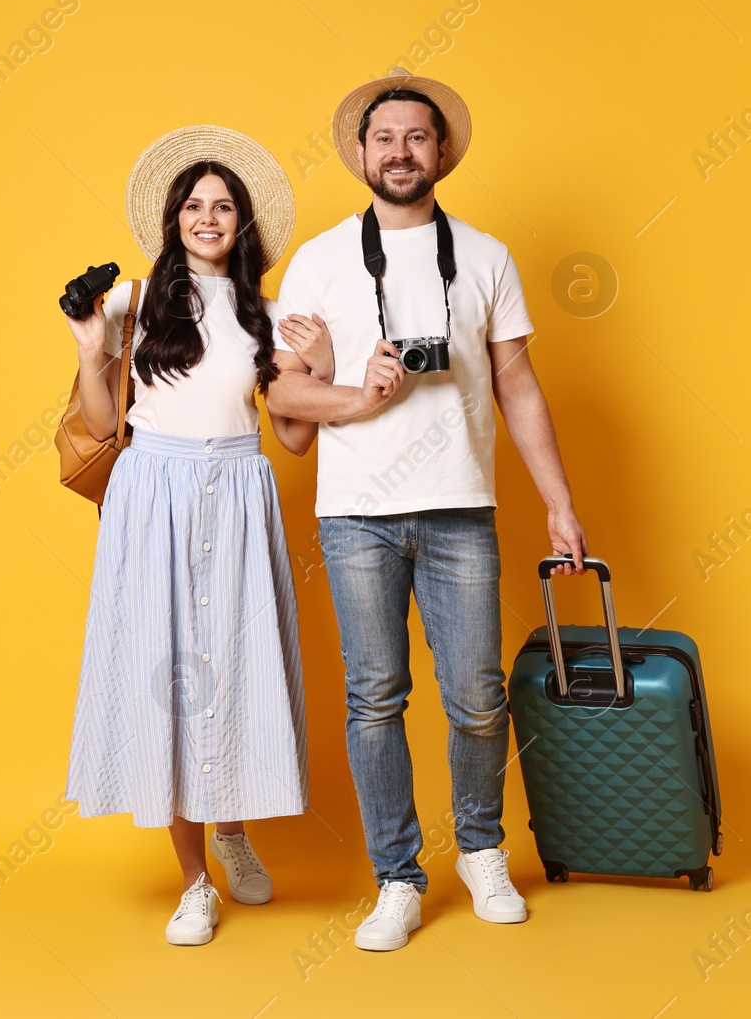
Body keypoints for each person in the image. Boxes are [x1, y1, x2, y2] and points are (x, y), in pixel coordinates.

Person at [265, 71, 589, 952]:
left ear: (441, 152)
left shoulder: (483, 253)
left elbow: (518, 383)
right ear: (360, 153)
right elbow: (285, 396)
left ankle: (482, 848)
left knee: (477, 697)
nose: (400, 152)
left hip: (460, 508)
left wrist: (559, 503)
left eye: (417, 138)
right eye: (385, 139)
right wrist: (350, 382)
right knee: (374, 697)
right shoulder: (322, 259)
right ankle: (397, 877)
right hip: (356, 512)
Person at [62, 125, 333, 946]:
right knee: (167, 674)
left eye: (223, 206)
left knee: (239, 669)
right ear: (173, 216)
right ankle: (194, 881)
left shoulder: (276, 316)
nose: (207, 216)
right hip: (153, 497)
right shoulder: (133, 301)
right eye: (194, 204)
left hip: (239, 494)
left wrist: (317, 368)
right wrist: (87, 347)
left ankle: (235, 830)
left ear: (241, 225)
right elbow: (105, 422)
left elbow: (291, 439)